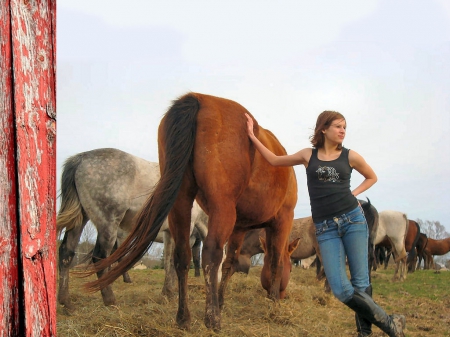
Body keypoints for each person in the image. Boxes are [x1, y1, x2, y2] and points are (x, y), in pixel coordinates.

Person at [245, 111, 406, 337]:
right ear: (324, 129)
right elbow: (273, 160)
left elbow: (372, 176)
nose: (342, 131)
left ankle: (365, 333)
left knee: (361, 282)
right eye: (338, 126)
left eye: (344, 127)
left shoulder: (351, 156)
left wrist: (353, 195)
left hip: (353, 221)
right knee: (340, 288)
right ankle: (391, 323)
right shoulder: (308, 155)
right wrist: (252, 136)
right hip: (325, 228)